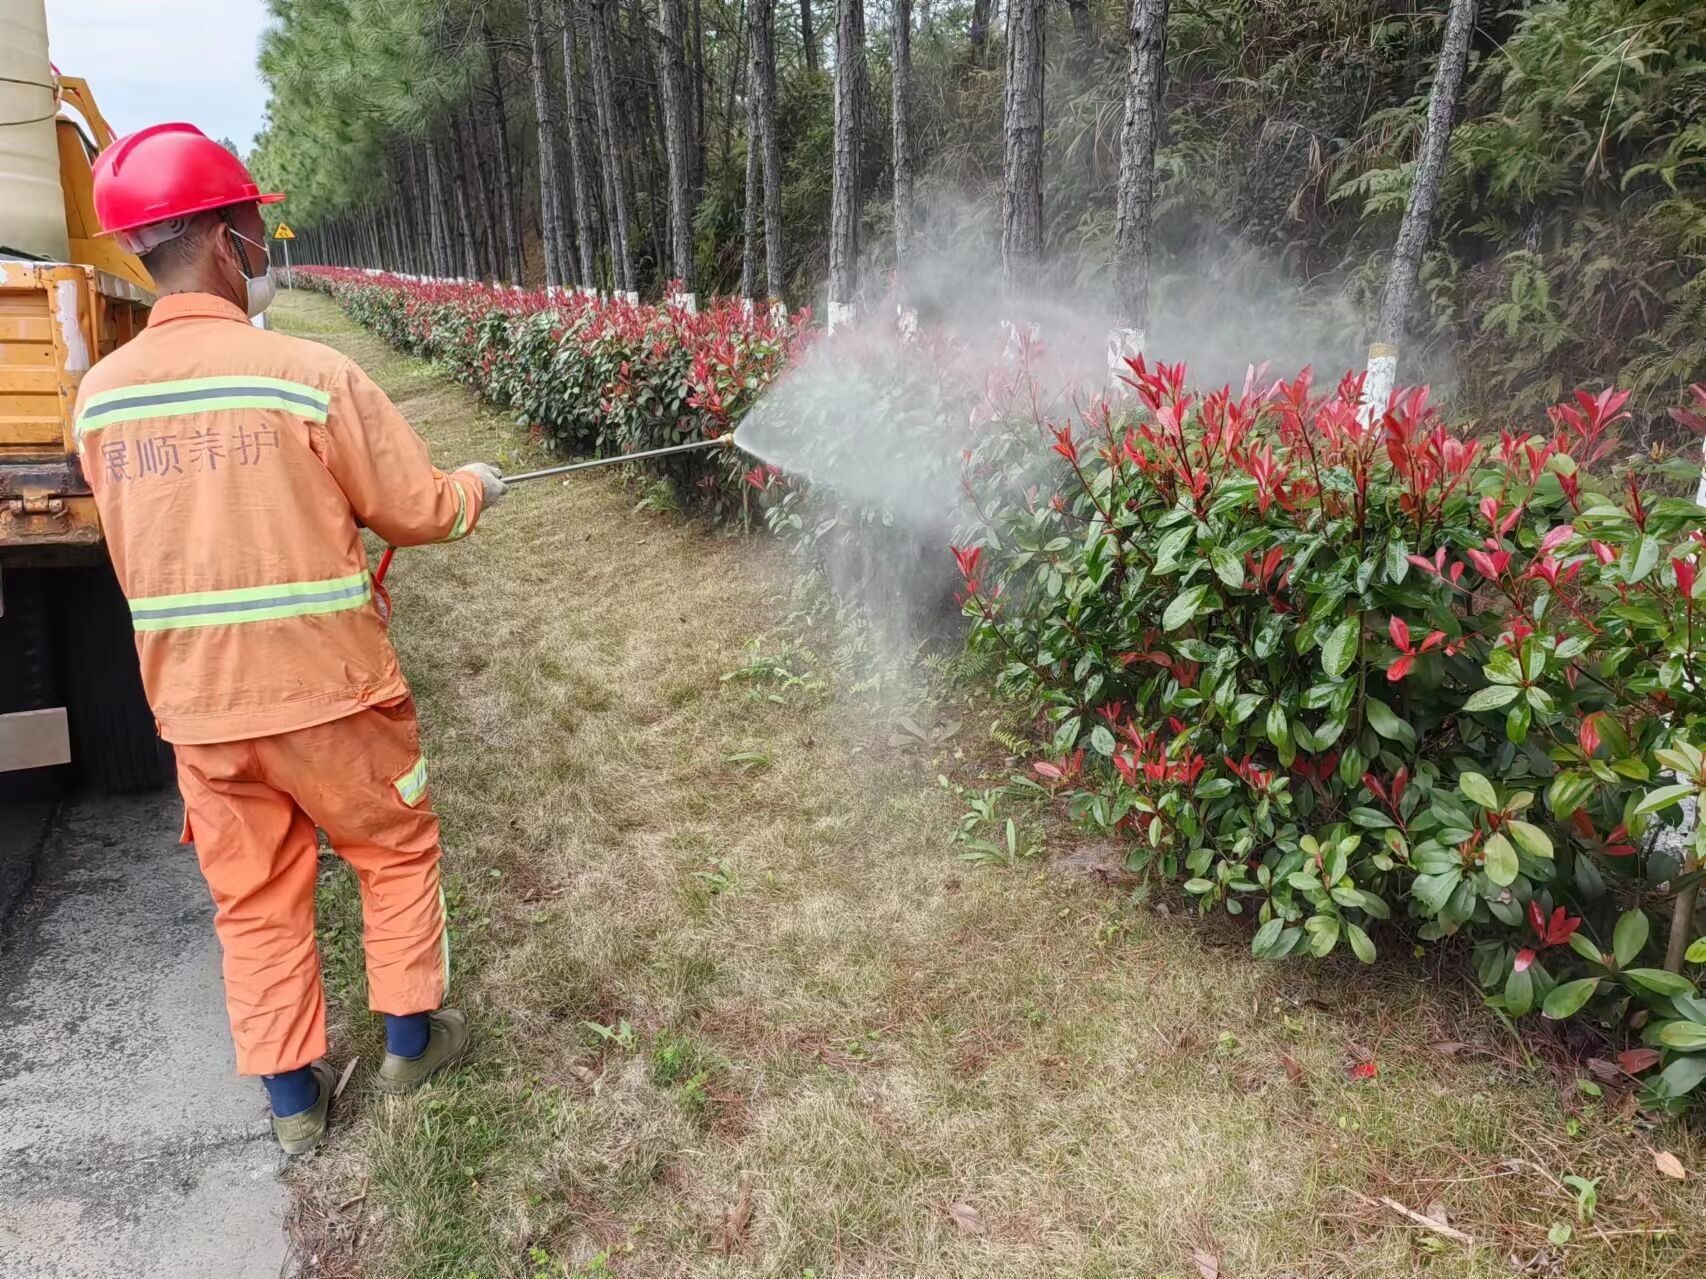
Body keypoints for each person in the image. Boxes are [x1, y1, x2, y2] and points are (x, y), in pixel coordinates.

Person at [78, 122, 505, 1155]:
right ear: (228, 241)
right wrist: (477, 488)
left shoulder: (96, 402)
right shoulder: (308, 375)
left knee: (255, 899)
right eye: (257, 227)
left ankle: (293, 1108)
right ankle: (409, 1046)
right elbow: (417, 511)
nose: (264, 246)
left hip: (200, 713)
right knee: (393, 850)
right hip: (333, 693)